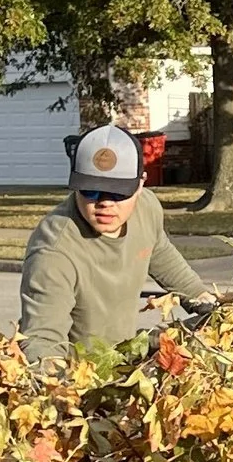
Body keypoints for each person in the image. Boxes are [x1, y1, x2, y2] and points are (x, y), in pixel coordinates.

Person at [18, 121, 214, 366]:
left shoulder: (147, 208)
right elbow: (43, 340)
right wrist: (57, 383)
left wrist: (199, 297)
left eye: (119, 192)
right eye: (91, 191)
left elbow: (158, 250)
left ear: (140, 184)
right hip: (82, 373)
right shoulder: (54, 251)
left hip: (126, 354)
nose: (105, 203)